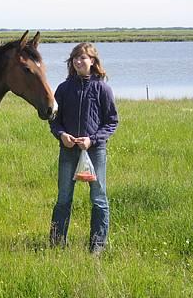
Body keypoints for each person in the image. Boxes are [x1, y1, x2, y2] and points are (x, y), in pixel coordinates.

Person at [49, 43, 118, 254]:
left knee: (98, 198)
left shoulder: (102, 88)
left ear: (93, 61)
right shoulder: (63, 88)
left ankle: (97, 246)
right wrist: (62, 135)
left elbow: (112, 121)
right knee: (63, 198)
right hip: (68, 150)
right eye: (75, 58)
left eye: (83, 58)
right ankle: (57, 244)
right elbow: (54, 120)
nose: (78, 62)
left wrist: (92, 140)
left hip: (94, 151)